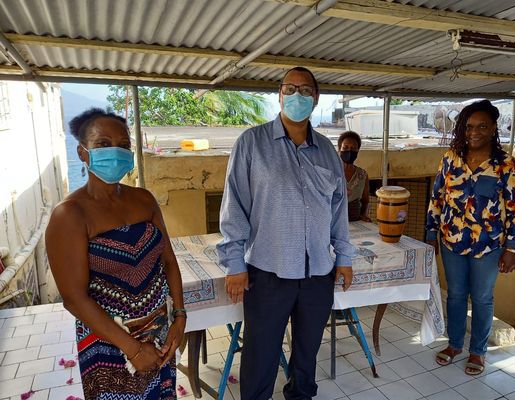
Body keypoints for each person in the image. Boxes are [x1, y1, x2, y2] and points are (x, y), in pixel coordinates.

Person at [217, 67, 355, 400]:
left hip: (318, 272)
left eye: (305, 90)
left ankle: (300, 395)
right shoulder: (252, 143)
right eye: (289, 89)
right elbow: (234, 206)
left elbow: (338, 211)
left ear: (316, 98)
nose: (297, 96)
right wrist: (234, 263)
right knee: (261, 352)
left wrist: (345, 257)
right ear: (279, 95)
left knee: (307, 353)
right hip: (268, 272)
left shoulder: (327, 151)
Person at [45, 108, 185, 399]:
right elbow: (73, 298)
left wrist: (180, 317)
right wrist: (132, 349)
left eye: (123, 145)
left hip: (159, 333)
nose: (116, 151)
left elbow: (168, 260)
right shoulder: (70, 215)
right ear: (83, 153)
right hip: (110, 346)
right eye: (103, 144)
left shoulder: (144, 199)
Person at [425, 100, 515, 376]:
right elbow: (437, 198)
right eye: (469, 126)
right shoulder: (450, 159)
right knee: (455, 295)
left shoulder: (506, 165)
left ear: (493, 128)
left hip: (489, 245)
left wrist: (512, 248)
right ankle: (455, 345)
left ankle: (478, 352)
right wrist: (431, 234)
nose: (474, 131)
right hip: (452, 242)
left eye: (482, 126)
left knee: (481, 298)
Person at [337, 130, 371, 222]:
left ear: (358, 151)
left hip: (355, 221)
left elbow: (365, 201)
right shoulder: (332, 173)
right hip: (334, 222)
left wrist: (364, 215)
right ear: (339, 149)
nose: (349, 151)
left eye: (353, 148)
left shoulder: (362, 175)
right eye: (345, 147)